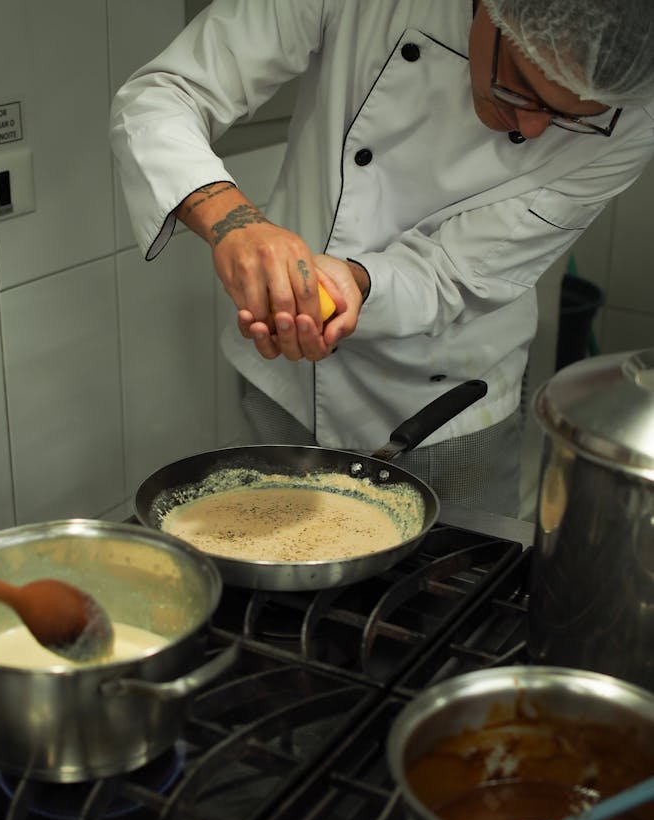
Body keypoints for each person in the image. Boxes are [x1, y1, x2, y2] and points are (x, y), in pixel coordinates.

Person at [110, 0, 654, 517]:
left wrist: (354, 282)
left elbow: (455, 271)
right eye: (522, 86)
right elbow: (164, 92)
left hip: (450, 408)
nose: (532, 129)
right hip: (288, 389)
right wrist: (234, 221)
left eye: (572, 120)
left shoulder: (637, 119)